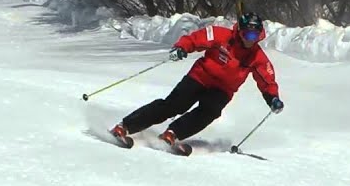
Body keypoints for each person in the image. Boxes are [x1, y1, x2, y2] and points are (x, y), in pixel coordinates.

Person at [111, 12, 285, 154]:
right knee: (174, 105)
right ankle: (124, 126)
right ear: (240, 31)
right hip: (200, 76)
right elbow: (196, 39)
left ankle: (172, 134)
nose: (250, 39)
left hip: (223, 89)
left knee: (210, 111)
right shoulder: (221, 35)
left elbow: (267, 80)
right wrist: (181, 48)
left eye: (255, 35)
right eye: (247, 34)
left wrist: (273, 99)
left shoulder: (257, 56)